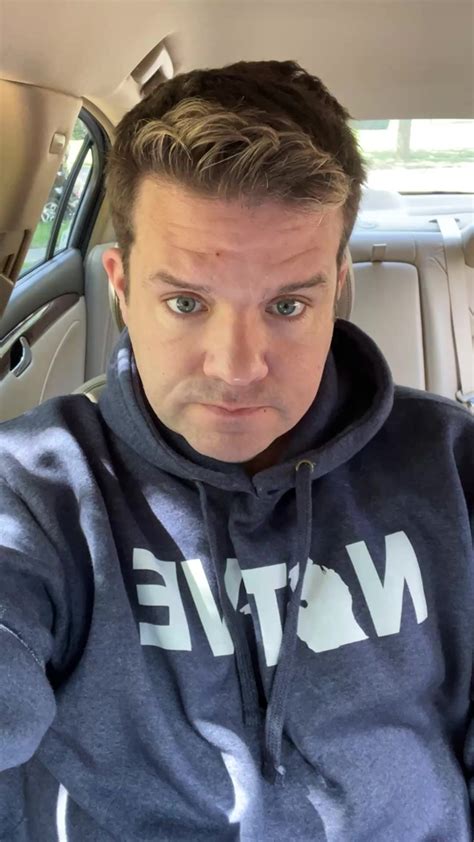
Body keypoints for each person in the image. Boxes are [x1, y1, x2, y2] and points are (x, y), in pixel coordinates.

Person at [0, 59, 472, 842]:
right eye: (186, 301)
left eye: (287, 305)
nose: (237, 367)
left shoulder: (455, 467)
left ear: (337, 288)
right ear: (121, 287)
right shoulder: (33, 487)